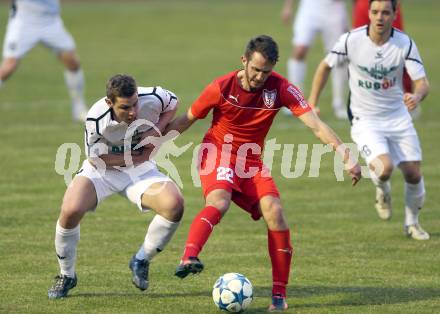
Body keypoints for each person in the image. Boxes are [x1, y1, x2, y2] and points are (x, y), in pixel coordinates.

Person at [165, 35, 362, 311]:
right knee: (219, 202)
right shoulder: (220, 87)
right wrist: (153, 143)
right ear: (244, 61)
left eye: (265, 72)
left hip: (251, 162)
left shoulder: (281, 88)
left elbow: (315, 125)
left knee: (275, 212)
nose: (259, 77)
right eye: (255, 69)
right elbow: (187, 119)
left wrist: (346, 155)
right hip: (217, 153)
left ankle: (279, 296)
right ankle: (189, 257)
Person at [48, 74, 184, 299]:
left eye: (135, 104)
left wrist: (157, 130)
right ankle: (66, 276)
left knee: (174, 205)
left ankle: (141, 259)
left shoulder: (151, 96)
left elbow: (173, 102)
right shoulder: (95, 119)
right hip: (104, 169)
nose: (133, 112)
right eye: (125, 107)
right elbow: (96, 159)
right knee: (70, 210)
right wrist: (135, 155)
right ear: (110, 103)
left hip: (140, 168)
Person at [308, 0, 430, 240]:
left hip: (397, 116)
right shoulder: (350, 40)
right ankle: (382, 190)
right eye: (375, 12)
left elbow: (422, 82)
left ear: (395, 14)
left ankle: (412, 223)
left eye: (386, 12)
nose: (379, 17)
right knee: (384, 169)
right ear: (369, 14)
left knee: (414, 174)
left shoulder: (404, 43)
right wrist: (311, 102)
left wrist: (416, 96)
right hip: (365, 117)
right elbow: (325, 67)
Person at [0, 0, 87, 121]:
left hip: (50, 21)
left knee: (72, 62)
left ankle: (79, 109)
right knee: (8, 66)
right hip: (24, 22)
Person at [281, 0, 348, 119]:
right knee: (299, 50)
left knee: (338, 56)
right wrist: (288, 7)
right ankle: (295, 102)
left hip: (333, 9)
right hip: (310, 7)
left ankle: (339, 104)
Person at [352, 0, 419, 117]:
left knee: (398, 48)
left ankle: (408, 98)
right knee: (360, 47)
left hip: (387, 5)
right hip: (363, 5)